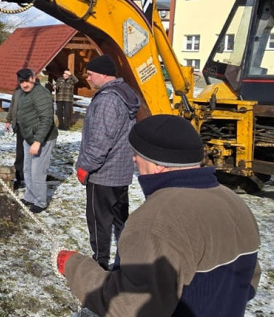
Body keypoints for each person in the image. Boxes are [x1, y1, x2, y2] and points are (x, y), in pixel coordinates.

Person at [53, 114, 261, 316]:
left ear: (158, 163)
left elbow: (129, 307)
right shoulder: (235, 203)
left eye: (138, 154)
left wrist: (73, 266)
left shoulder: (155, 221)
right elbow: (249, 282)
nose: (134, 159)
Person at [75, 54, 140, 270]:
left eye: (91, 74)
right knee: (120, 219)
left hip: (103, 174)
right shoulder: (124, 94)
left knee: (99, 220)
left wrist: (86, 166)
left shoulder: (108, 99)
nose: (88, 78)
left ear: (103, 74)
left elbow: (100, 139)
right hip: (120, 173)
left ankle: (100, 263)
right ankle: (126, 260)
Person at [10, 68, 57, 213]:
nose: (24, 84)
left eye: (27, 80)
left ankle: (40, 201)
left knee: (37, 171)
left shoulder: (41, 94)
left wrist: (37, 141)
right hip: (28, 137)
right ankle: (30, 196)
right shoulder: (24, 93)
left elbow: (47, 119)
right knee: (27, 169)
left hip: (43, 139)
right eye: (21, 81)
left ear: (33, 78)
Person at [3, 85, 25, 190]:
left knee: (30, 152)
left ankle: (29, 176)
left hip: (30, 126)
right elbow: (12, 106)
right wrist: (9, 120)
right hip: (19, 125)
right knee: (20, 151)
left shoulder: (34, 91)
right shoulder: (17, 90)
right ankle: (19, 175)